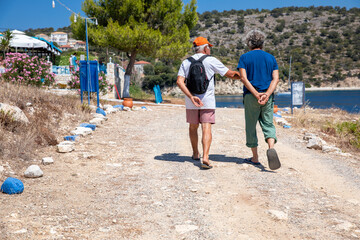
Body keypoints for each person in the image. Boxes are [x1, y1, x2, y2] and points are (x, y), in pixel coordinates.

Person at [177, 36, 257, 169]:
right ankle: (205, 157)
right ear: (205, 48)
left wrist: (191, 97)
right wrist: (243, 77)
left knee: (193, 127)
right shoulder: (211, 60)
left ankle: (195, 153)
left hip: (191, 101)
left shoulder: (186, 62)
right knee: (206, 127)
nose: (210, 50)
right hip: (207, 101)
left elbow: (179, 81)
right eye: (209, 47)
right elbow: (230, 74)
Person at [237, 29, 281, 170]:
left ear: (249, 43)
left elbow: (243, 78)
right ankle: (271, 147)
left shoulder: (244, 57)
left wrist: (256, 94)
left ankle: (255, 158)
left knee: (251, 127)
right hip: (267, 97)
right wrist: (267, 94)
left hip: (251, 96)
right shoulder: (271, 58)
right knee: (268, 124)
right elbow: (276, 78)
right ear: (262, 42)